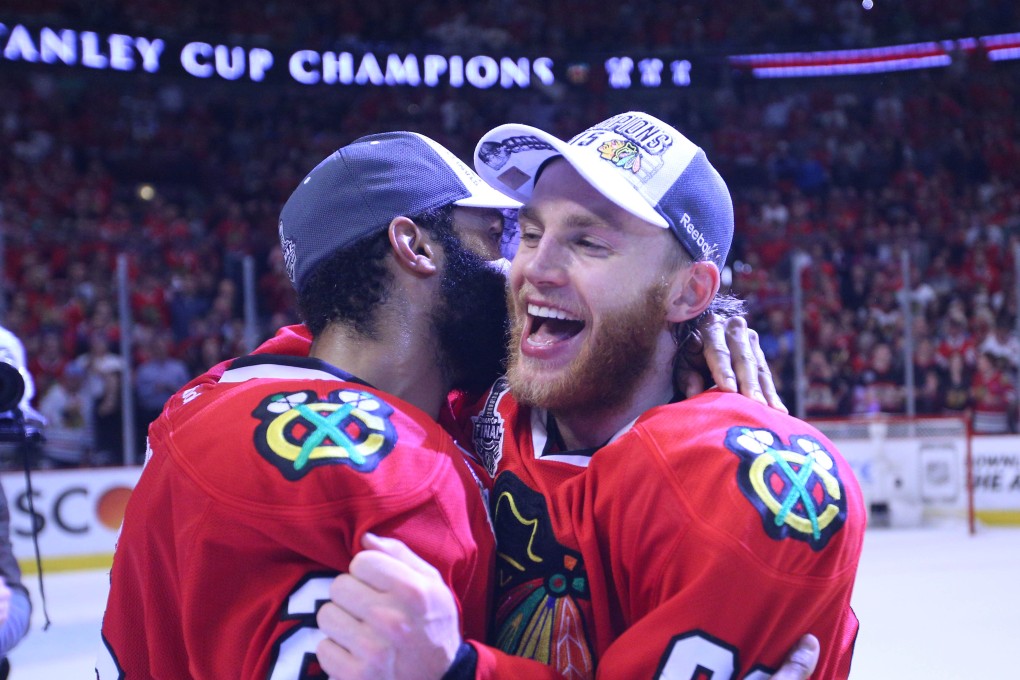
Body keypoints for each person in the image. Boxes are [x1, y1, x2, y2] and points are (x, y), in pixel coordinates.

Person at [315, 112, 864, 679]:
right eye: (528, 234)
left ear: (689, 291)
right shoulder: (475, 401)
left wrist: (451, 672)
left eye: (589, 242)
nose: (534, 268)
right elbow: (348, 346)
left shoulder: (756, 486)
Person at [97, 131, 520, 678]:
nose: (517, 269)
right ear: (414, 247)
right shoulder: (396, 468)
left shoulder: (213, 405)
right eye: (494, 236)